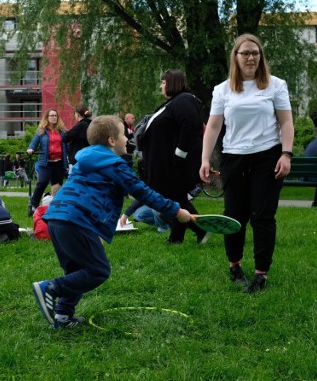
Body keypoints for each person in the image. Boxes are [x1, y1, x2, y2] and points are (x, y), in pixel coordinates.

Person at [32, 115, 195, 328]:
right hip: (76, 221)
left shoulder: (85, 160)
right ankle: (50, 288)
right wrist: (176, 211)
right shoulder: (114, 165)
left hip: (57, 218)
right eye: (124, 135)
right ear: (111, 140)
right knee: (97, 271)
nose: (128, 138)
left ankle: (62, 316)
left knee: (77, 273)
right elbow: (143, 192)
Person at [200, 33, 294, 294]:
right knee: (234, 216)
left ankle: (261, 274)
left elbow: (286, 122)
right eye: (245, 53)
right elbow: (214, 126)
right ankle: (235, 266)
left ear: (260, 56)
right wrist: (205, 158)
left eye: (255, 53)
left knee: (262, 216)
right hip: (234, 158)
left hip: (268, 157)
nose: (250, 57)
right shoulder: (222, 90)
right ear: (236, 57)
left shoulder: (275, 85)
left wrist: (286, 154)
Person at [142, 69, 206, 244]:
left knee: (172, 197)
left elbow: (190, 126)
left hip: (174, 163)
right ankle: (180, 236)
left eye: (163, 82)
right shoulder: (174, 102)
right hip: (167, 162)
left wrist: (179, 154)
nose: (161, 86)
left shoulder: (184, 100)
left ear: (173, 83)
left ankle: (198, 229)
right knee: (176, 198)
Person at [26, 109, 68, 216]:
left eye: (55, 115)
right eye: (52, 115)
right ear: (47, 117)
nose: (54, 117)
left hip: (59, 163)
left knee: (57, 185)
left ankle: (56, 207)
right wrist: (30, 149)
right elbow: (34, 143)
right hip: (46, 163)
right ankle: (33, 205)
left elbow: (67, 146)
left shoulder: (62, 131)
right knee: (42, 183)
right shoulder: (42, 130)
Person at [63, 104, 92, 171]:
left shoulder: (80, 125)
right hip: (89, 156)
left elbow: (65, 138)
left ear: (77, 114)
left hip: (78, 159)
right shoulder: (91, 124)